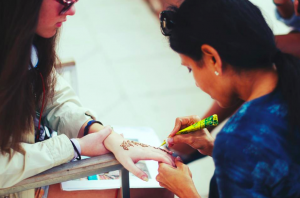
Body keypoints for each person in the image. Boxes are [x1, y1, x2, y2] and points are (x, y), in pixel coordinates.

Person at [0, 1, 174, 197]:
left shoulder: (26, 41)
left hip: (31, 166)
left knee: (159, 186)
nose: (72, 11)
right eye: (64, 1)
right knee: (156, 192)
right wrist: (74, 147)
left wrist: (101, 133)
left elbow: (53, 94)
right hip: (16, 184)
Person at [156, 0, 300, 197]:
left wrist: (185, 189)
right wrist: (215, 149)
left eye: (191, 69)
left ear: (213, 58)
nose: (196, 83)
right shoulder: (289, 84)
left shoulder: (236, 140)